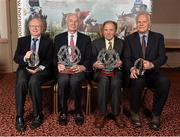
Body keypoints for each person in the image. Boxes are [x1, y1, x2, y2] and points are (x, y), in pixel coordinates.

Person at [123, 11, 170, 131]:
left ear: (149, 24)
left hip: (153, 72)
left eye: (144, 22)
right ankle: (134, 112)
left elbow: (163, 57)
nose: (141, 24)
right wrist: (131, 68)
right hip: (137, 73)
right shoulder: (129, 39)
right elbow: (126, 58)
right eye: (139, 22)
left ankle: (156, 115)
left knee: (165, 82)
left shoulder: (158, 37)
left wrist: (152, 64)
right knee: (137, 82)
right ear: (136, 24)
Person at [14, 17, 53, 131]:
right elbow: (16, 58)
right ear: (29, 28)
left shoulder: (48, 42)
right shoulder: (22, 40)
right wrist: (25, 58)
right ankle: (19, 116)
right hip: (25, 68)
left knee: (34, 81)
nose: (35, 28)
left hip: (41, 70)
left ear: (42, 28)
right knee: (21, 81)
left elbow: (50, 60)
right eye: (32, 26)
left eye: (38, 26)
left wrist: (39, 69)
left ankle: (38, 115)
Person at [54, 13, 91, 126]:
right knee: (63, 80)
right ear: (67, 22)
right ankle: (63, 111)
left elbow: (89, 58)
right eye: (71, 20)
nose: (73, 23)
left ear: (79, 23)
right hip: (63, 69)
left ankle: (78, 110)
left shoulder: (86, 39)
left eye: (76, 21)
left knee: (75, 81)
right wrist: (58, 64)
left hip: (78, 69)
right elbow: (53, 57)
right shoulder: (58, 38)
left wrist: (82, 66)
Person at [92, 20, 125, 128]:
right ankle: (102, 113)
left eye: (111, 30)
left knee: (116, 82)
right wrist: (95, 64)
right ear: (102, 31)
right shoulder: (96, 43)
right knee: (104, 80)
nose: (108, 32)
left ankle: (116, 113)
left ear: (115, 31)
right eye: (106, 30)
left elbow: (126, 60)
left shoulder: (121, 43)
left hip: (116, 71)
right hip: (100, 72)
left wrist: (121, 63)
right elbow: (90, 59)